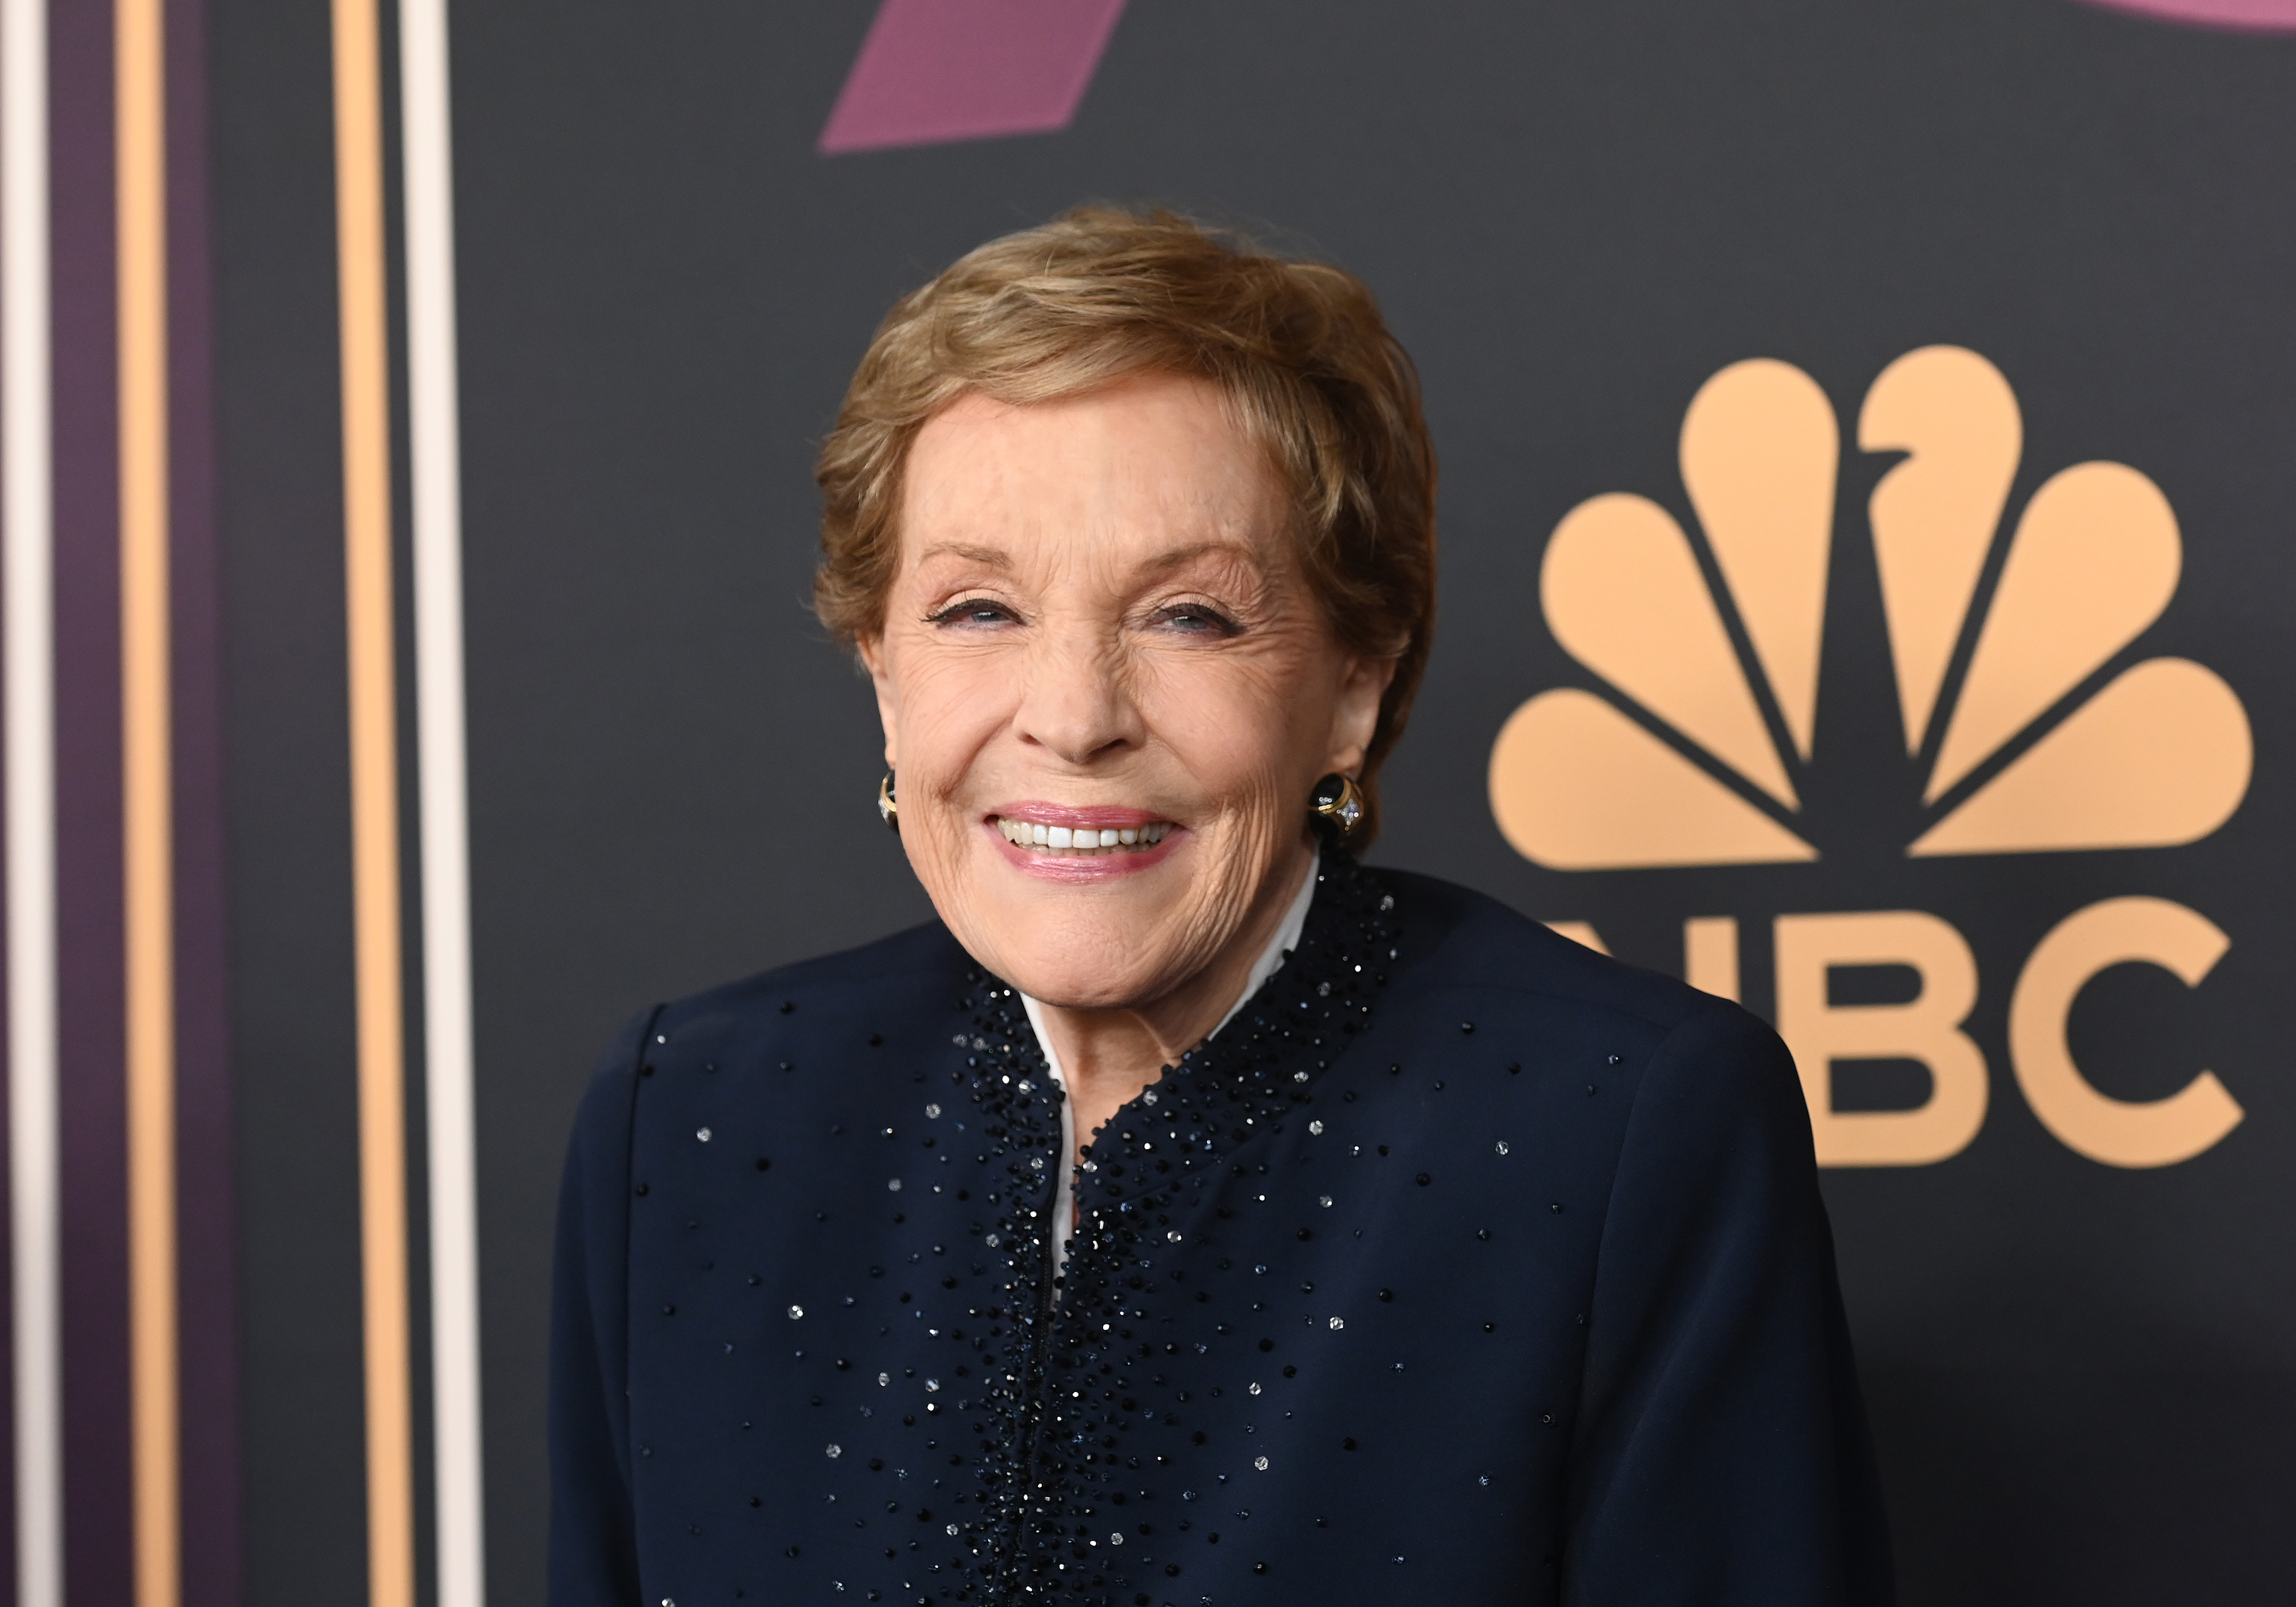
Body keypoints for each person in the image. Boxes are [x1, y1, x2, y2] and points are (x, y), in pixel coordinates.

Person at [549, 207, 1892, 1607]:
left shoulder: (1619, 1123)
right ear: (882, 670)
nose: (1071, 719)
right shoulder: (693, 1117)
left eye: (1186, 616)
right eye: (976, 613)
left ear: (1354, 685)